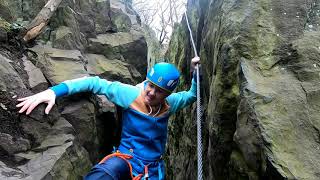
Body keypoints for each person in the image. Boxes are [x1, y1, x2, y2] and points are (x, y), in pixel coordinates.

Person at [17, 57, 200, 180]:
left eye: (159, 91)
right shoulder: (130, 94)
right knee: (104, 174)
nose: (151, 93)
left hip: (152, 169)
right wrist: (53, 92)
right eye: (150, 86)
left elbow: (192, 95)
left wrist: (195, 73)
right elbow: (95, 83)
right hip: (126, 158)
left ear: (167, 94)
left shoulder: (170, 104)